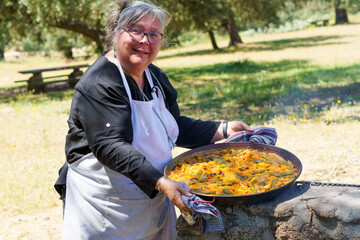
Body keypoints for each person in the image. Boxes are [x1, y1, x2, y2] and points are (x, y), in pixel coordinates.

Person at [60, 0, 252, 239]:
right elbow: (110, 146)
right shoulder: (100, 82)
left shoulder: (155, 77)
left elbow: (172, 127)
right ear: (117, 33)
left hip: (153, 193)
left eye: (153, 34)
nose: (144, 41)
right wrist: (161, 182)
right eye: (136, 30)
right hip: (107, 206)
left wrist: (222, 129)